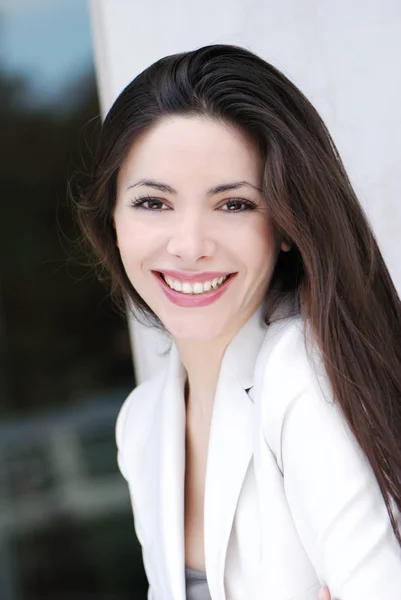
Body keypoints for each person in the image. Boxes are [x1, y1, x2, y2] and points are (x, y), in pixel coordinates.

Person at [75, 44, 401, 599]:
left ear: (287, 224)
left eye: (234, 205)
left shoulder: (301, 377)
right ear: (113, 219)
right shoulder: (143, 425)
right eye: (154, 203)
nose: (190, 245)